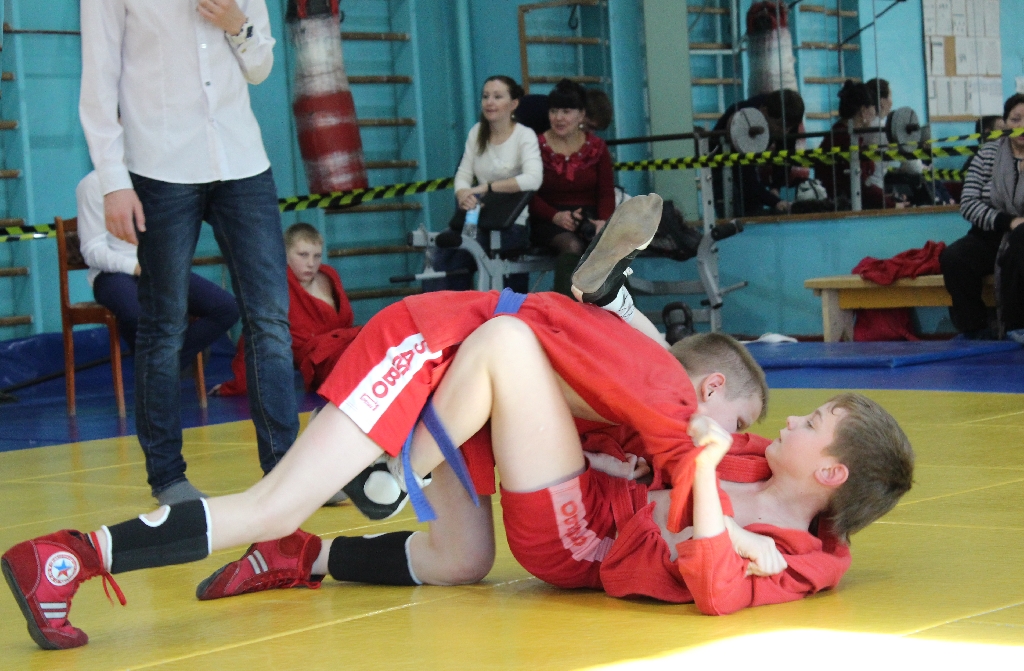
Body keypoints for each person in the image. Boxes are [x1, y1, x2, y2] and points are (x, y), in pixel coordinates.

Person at [0, 195, 764, 649]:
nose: (729, 439)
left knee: (462, 556)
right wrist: (739, 528)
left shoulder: (643, 402)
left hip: (467, 390)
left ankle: (301, 553)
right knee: (275, 502)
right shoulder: (662, 391)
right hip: (433, 347)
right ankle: (68, 557)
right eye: (735, 420)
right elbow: (673, 420)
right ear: (709, 386)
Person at [79, 0, 300, 506]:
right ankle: (167, 477)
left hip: (242, 160)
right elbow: (98, 83)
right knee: (163, 324)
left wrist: (236, 24)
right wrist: (113, 181)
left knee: (270, 317)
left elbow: (260, 68)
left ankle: (286, 467)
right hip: (158, 166)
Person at [76, 171, 239, 369]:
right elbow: (92, 250)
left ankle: (165, 364)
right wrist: (135, 267)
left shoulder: (160, 178)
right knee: (137, 314)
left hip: (157, 268)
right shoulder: (93, 184)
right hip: (111, 274)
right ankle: (164, 366)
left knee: (227, 308)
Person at [213, 223, 361, 396]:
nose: (311, 263)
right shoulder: (276, 286)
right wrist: (237, 385)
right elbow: (255, 334)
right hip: (322, 361)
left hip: (350, 345)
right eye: (303, 255)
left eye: (317, 256)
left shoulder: (329, 274)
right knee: (365, 366)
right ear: (284, 254)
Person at [438, 75, 543, 293]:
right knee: (445, 256)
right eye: (486, 96)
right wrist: (463, 194)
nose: (490, 102)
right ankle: (453, 310)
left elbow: (534, 178)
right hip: (477, 217)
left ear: (513, 104)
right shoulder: (477, 132)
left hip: (512, 222)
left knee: (505, 276)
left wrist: (488, 187)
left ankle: (509, 311)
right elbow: (463, 174)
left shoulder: (524, 136)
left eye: (497, 97)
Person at [941, 94, 1024, 342]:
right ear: (1005, 123)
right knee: (954, 258)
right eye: (1016, 119)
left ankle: (1016, 326)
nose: (1022, 125)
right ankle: (974, 329)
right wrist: (1007, 222)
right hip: (990, 233)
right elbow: (968, 203)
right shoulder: (988, 153)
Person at [528, 80, 616, 293]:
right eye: (553, 111)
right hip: (549, 219)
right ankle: (565, 309)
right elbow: (527, 194)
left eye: (566, 112)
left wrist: (602, 222)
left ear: (581, 115)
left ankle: (618, 310)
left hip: (589, 216)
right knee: (572, 245)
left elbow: (606, 192)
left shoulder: (598, 147)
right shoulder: (534, 146)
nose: (558, 118)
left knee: (605, 245)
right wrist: (555, 216)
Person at [712, 89, 805, 216]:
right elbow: (746, 178)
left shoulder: (786, 117)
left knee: (755, 208)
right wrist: (774, 201)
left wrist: (776, 187)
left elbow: (785, 154)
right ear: (764, 112)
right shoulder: (743, 120)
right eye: (779, 126)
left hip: (747, 166)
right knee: (737, 211)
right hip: (721, 163)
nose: (785, 132)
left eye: (789, 128)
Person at [816, 81, 898, 210]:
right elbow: (862, 188)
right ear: (864, 111)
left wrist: (886, 198)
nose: (875, 112)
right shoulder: (846, 140)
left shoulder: (841, 133)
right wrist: (893, 204)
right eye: (873, 107)